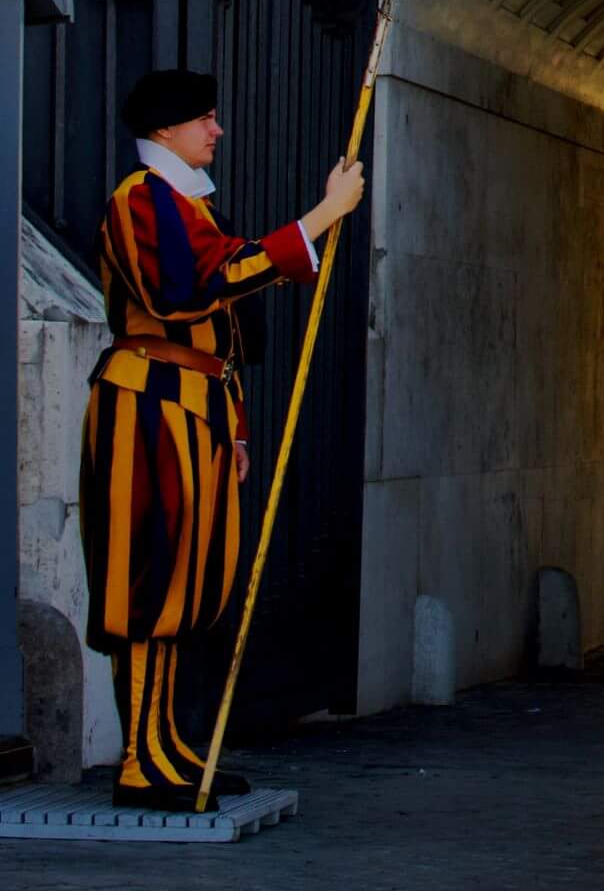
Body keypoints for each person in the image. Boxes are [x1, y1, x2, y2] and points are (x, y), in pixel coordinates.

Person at [78, 69, 366, 811]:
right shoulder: (142, 199)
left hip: (193, 407)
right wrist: (318, 219)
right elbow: (191, 290)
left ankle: (165, 744)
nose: (217, 130)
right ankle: (141, 759)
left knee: (189, 584)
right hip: (150, 405)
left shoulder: (182, 204)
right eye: (204, 119)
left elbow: (222, 336)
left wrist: (232, 427)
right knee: (150, 581)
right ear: (167, 131)